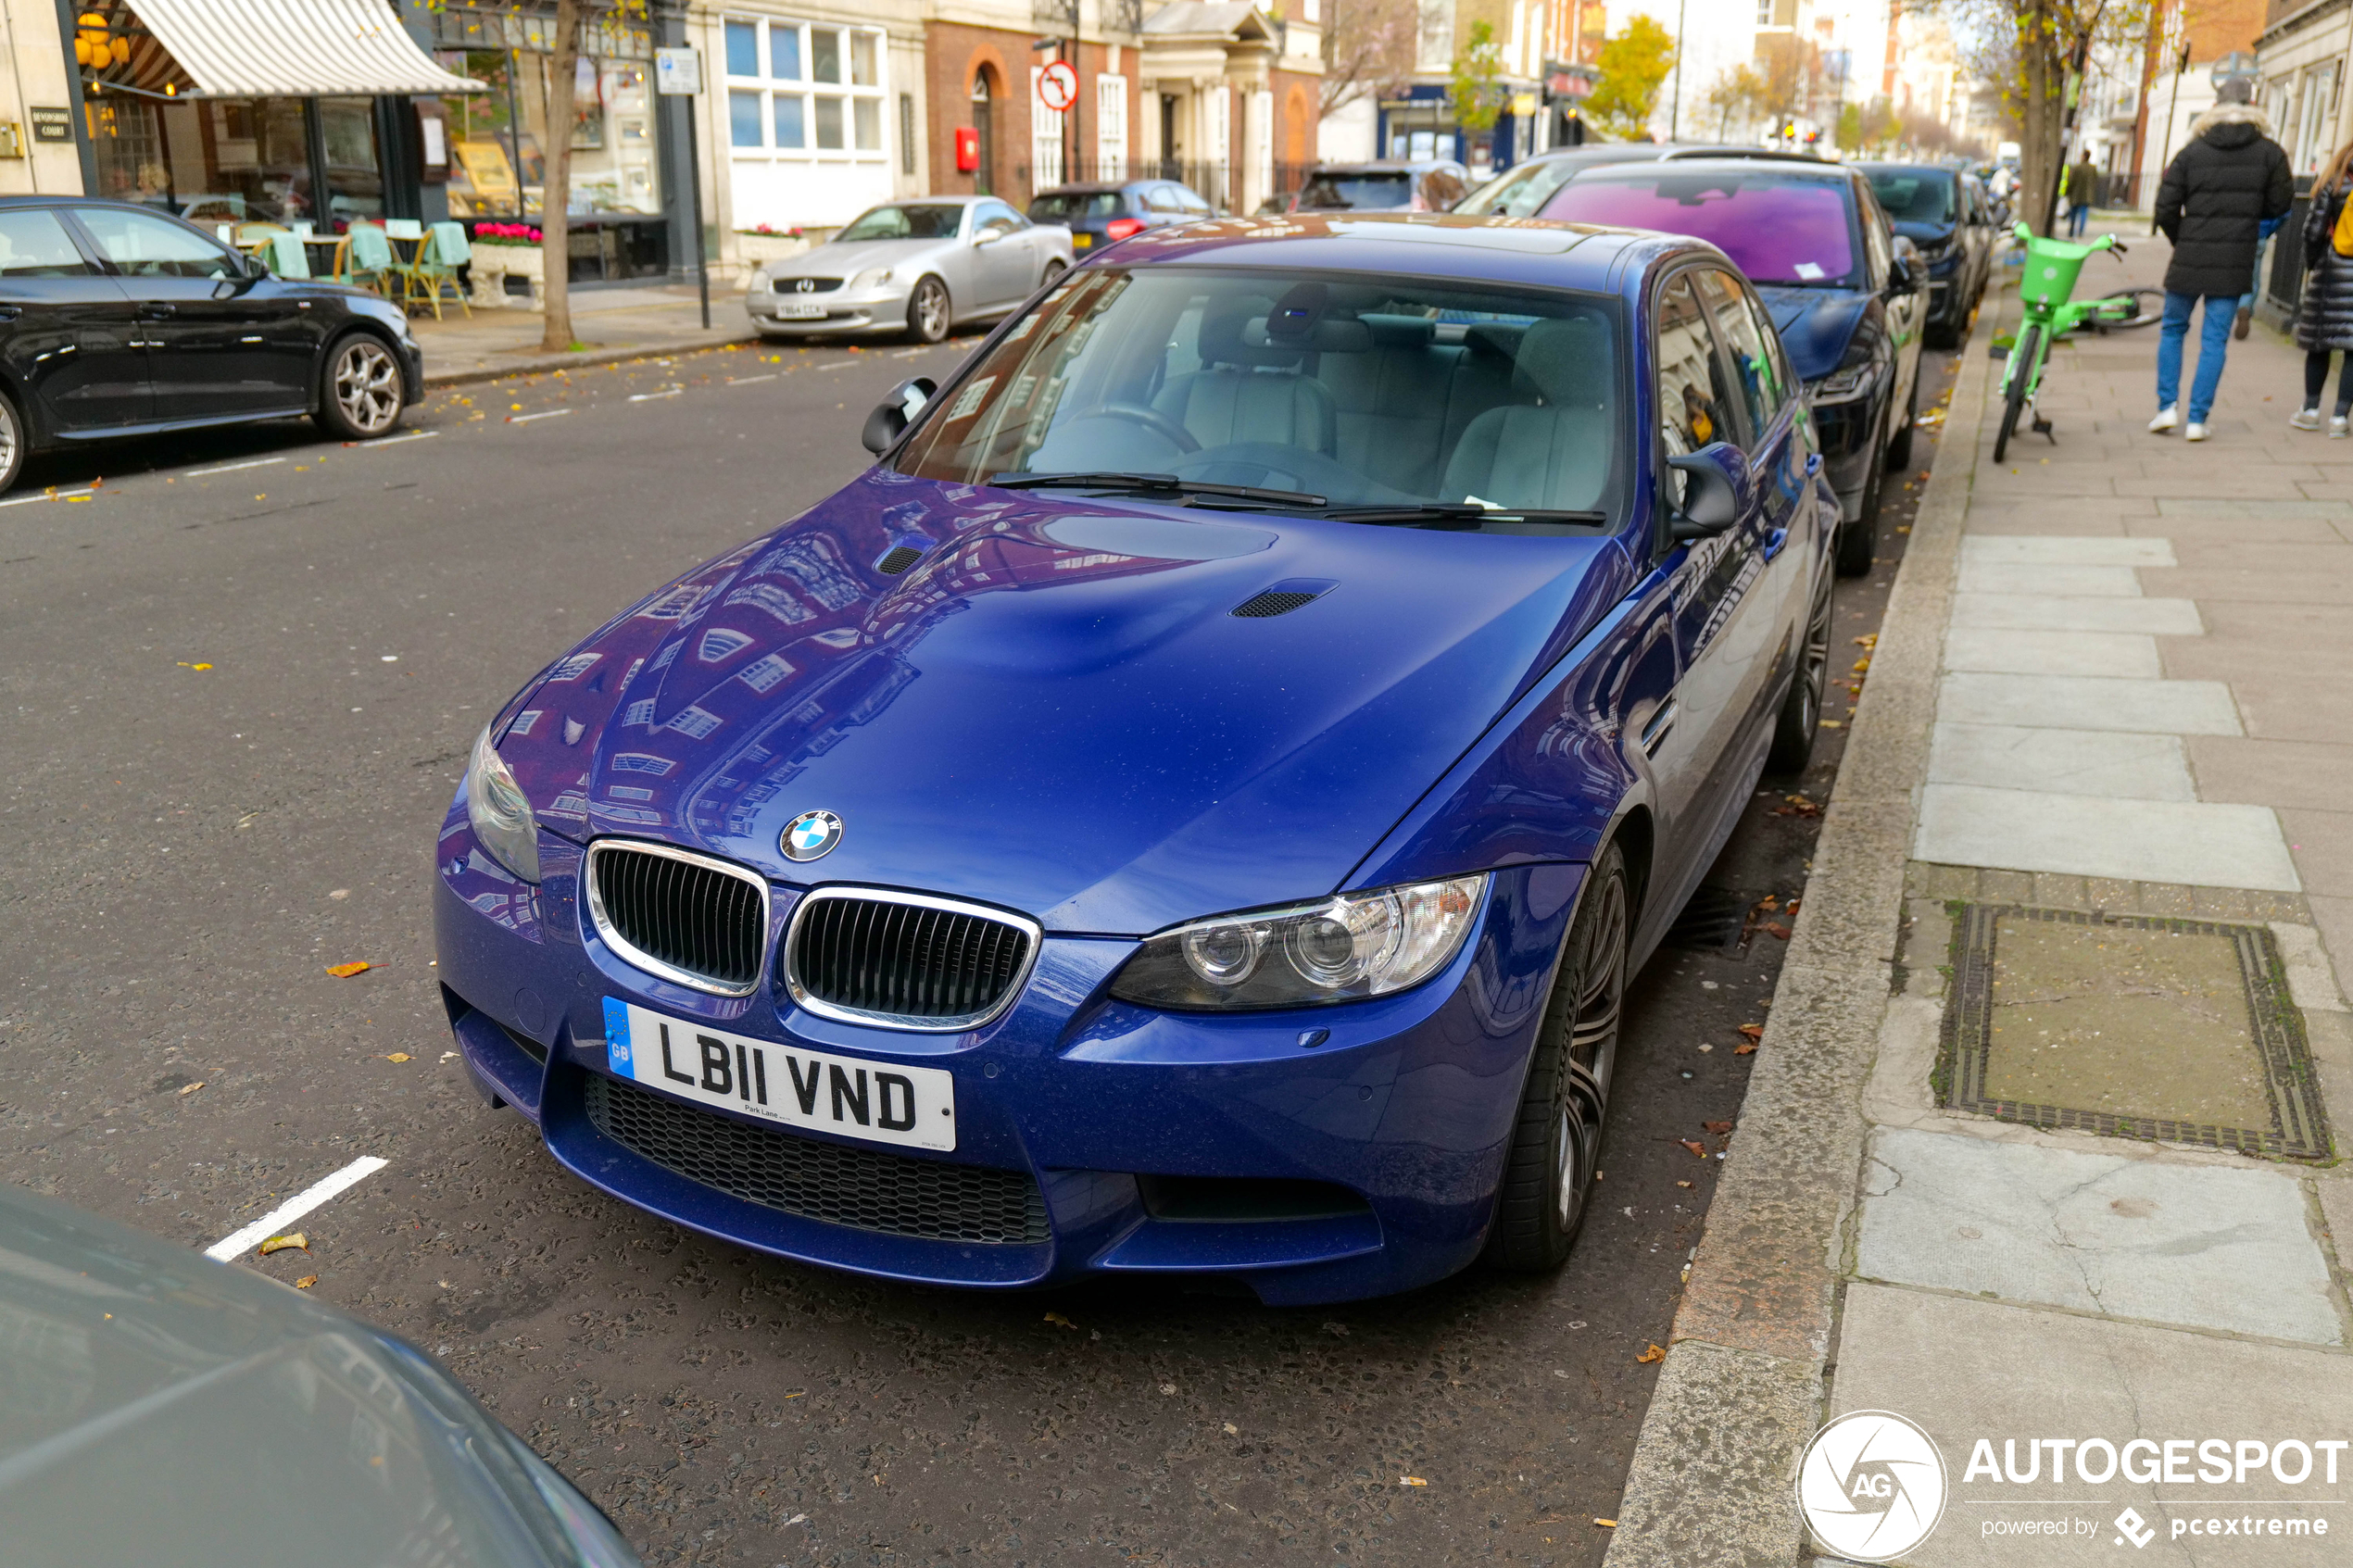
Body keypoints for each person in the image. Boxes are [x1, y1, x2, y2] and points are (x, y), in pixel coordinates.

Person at [2151, 77, 2292, 441]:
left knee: (2172, 329)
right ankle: (2197, 419)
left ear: (2216, 104)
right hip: (2235, 258)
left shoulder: (2191, 152)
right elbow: (2280, 205)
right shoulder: (2270, 153)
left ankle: (2167, 409)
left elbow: (2165, 206)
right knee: (2214, 341)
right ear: (2252, 103)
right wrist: (2251, 224)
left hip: (2190, 255)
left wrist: (2181, 239)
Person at [2292, 136, 2353, 435]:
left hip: (2332, 270)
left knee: (2320, 343)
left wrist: (2313, 263)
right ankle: (2341, 417)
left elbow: (2313, 230)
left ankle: (2311, 409)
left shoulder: (2336, 180)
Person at [2067, 151, 2099, 238]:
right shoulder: (2092, 169)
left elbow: (2071, 181)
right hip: (2087, 195)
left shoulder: (2076, 168)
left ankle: (2071, 231)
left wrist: (2067, 192)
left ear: (2084, 156)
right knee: (2083, 214)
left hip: (2075, 195)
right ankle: (2080, 232)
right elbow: (2095, 181)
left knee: (2073, 214)